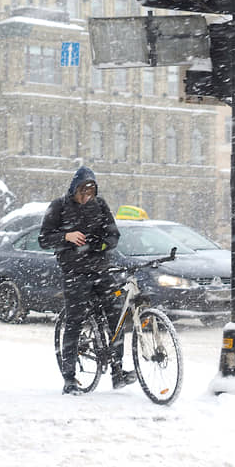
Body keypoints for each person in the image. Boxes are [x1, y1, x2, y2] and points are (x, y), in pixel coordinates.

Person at [38, 166, 136, 395]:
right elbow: (43, 239)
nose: (85, 198)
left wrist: (99, 244)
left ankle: (117, 370)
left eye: (89, 194)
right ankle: (70, 378)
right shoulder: (59, 206)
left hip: (101, 268)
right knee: (75, 320)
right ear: (73, 189)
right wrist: (66, 237)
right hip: (74, 271)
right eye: (82, 193)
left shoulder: (100, 205)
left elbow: (113, 235)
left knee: (116, 316)